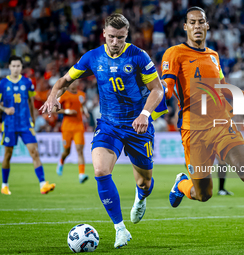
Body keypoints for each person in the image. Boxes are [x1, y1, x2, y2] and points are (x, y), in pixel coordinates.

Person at [161, 7, 244, 242]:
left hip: (222, 123)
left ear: (207, 26)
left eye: (200, 22)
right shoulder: (174, 53)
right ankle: (182, 184)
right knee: (203, 194)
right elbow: (168, 85)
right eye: (191, 22)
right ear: (185, 27)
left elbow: (221, 88)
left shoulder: (213, 55)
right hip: (194, 130)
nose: (196, 26)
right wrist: (164, 94)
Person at [40, 13, 167, 248]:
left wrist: (145, 114)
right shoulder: (93, 57)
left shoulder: (139, 56)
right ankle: (120, 229)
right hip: (109, 124)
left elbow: (157, 90)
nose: (115, 42)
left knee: (145, 184)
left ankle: (141, 197)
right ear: (104, 34)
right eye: (111, 37)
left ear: (126, 35)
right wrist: (52, 98)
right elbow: (63, 82)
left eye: (120, 37)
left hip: (137, 125)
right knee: (99, 170)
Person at [0, 56, 56, 195]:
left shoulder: (27, 82)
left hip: (25, 123)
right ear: (9, 67)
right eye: (13, 66)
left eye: (18, 66)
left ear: (21, 67)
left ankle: (43, 184)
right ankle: (5, 185)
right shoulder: (3, 83)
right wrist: (5, 109)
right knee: (7, 155)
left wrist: (33, 118)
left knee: (34, 152)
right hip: (9, 124)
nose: (15, 68)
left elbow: (31, 101)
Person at [55, 80, 89, 183]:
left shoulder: (82, 95)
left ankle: (81, 175)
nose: (74, 83)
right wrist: (66, 111)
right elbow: (53, 109)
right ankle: (61, 162)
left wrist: (85, 112)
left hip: (79, 126)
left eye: (76, 81)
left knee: (79, 150)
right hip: (67, 127)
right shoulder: (64, 95)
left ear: (78, 82)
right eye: (72, 81)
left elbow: (82, 106)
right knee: (67, 151)